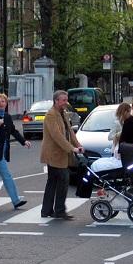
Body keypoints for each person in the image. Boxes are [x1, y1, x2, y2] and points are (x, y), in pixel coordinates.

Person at [0, 93, 31, 210]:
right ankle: (16, 200)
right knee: (7, 176)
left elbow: (13, 131)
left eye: (3, 101)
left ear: (6, 103)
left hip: (4, 150)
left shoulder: (7, 117)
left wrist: (23, 141)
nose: (0, 104)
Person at [40, 90, 84, 220]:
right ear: (56, 101)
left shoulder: (62, 113)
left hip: (61, 153)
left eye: (66, 99)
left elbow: (70, 132)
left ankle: (47, 210)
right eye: (63, 100)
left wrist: (78, 145)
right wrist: (72, 149)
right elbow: (57, 136)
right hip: (54, 154)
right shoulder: (51, 115)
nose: (66, 102)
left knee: (53, 182)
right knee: (63, 179)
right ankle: (58, 210)